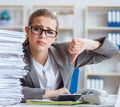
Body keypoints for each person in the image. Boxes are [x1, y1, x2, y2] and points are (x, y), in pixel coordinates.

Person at [21, 9, 119, 103]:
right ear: (27, 30)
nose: (43, 36)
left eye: (50, 32)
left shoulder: (66, 52)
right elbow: (9, 91)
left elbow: (112, 50)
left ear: (55, 37)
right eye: (37, 29)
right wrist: (51, 94)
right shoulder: (14, 58)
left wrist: (88, 44)